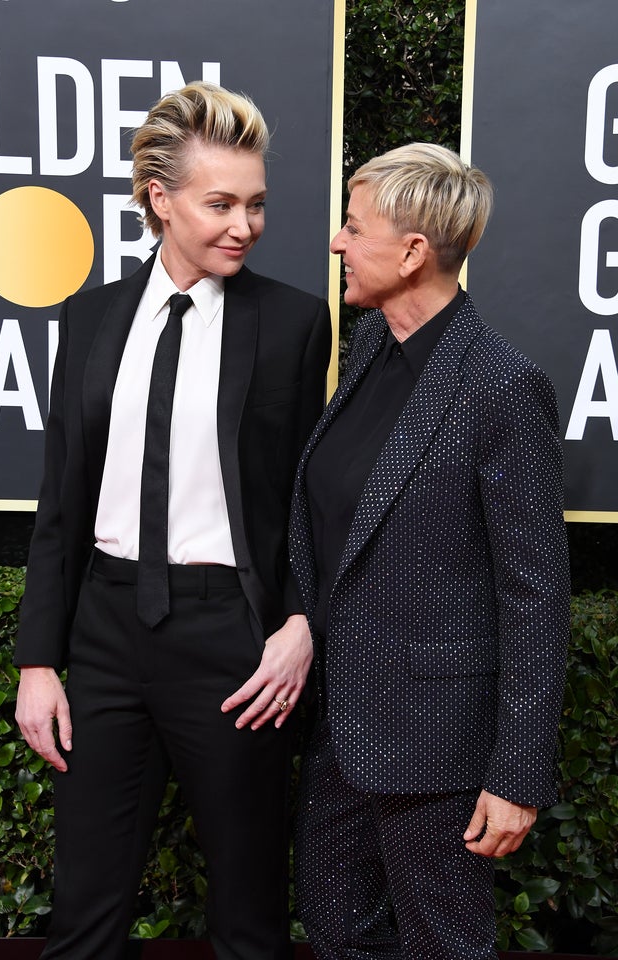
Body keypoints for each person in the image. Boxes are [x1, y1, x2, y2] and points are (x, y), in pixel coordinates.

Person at [14, 81, 331, 960]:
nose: (245, 224)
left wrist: (301, 622)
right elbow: (62, 500)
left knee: (250, 919)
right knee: (83, 915)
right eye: (221, 203)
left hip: (230, 639)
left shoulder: (294, 324)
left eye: (257, 204)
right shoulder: (90, 317)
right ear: (161, 198)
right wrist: (40, 661)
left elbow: (312, 501)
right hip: (106, 632)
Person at [288, 142, 570, 960]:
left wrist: (517, 775)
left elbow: (536, 594)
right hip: (341, 726)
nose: (337, 243)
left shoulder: (501, 386)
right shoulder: (371, 347)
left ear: (413, 252)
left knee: (444, 942)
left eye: (352, 226)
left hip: (436, 744)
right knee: (338, 928)